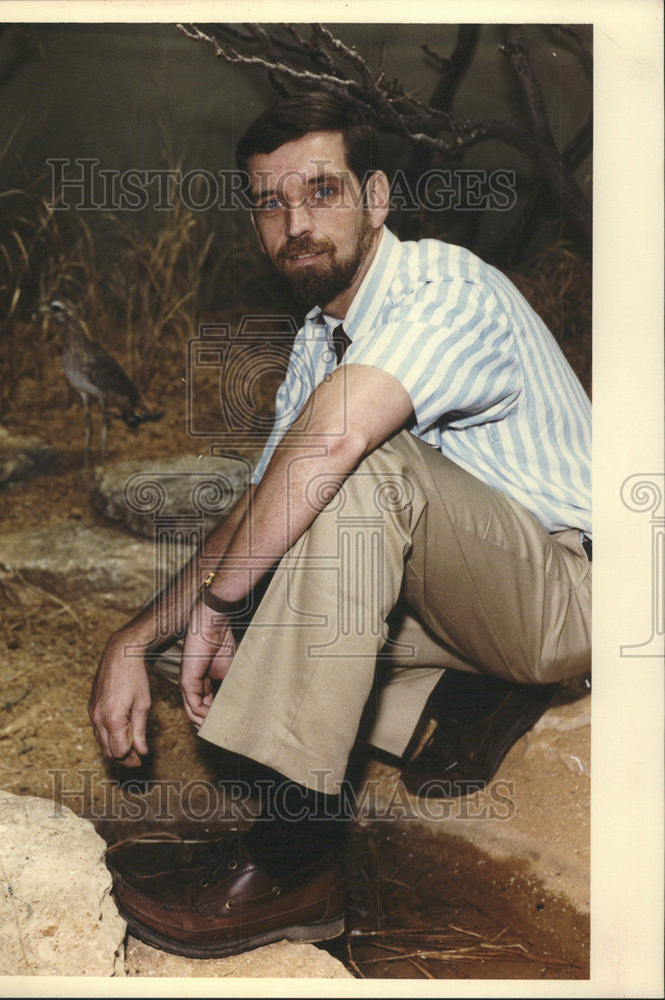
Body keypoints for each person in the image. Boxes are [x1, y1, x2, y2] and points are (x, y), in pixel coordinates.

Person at [89, 91, 591, 958]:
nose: (295, 224)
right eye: (270, 202)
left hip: (570, 591)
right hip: (460, 596)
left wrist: (223, 600)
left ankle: (296, 864)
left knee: (349, 475)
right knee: (206, 617)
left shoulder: (447, 288)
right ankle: (460, 698)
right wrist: (133, 640)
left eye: (321, 192)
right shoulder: (321, 338)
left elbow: (335, 445)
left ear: (379, 199)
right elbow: (260, 506)